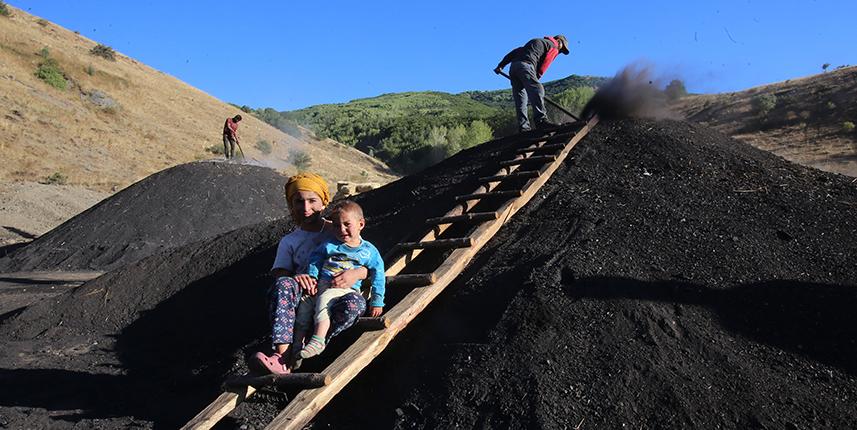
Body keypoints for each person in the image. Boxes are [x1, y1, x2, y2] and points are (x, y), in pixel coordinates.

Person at [254, 173, 369, 375]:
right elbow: (280, 273)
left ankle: (316, 341)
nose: (306, 208)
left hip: (337, 292)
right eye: (299, 202)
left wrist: (357, 273)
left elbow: (366, 258)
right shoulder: (290, 241)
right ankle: (283, 356)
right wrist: (296, 277)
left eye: (312, 201)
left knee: (356, 304)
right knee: (283, 285)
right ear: (291, 205)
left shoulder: (340, 228)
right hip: (304, 296)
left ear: (324, 202)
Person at [294, 200, 385, 359]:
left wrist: (377, 300)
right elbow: (315, 259)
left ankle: (318, 340)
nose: (341, 229)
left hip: (343, 290)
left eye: (347, 224)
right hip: (322, 285)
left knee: (324, 301)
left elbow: (378, 274)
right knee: (304, 306)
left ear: (361, 224)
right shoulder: (329, 245)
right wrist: (313, 277)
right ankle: (296, 347)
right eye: (336, 225)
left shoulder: (368, 251)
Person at [494, 35, 570, 132]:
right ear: (558, 41)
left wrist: (500, 66)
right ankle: (541, 121)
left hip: (514, 67)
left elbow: (514, 52)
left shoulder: (535, 42)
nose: (560, 52)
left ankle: (524, 127)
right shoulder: (553, 45)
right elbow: (544, 65)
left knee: (521, 99)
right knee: (538, 89)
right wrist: (536, 78)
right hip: (526, 66)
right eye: (562, 48)